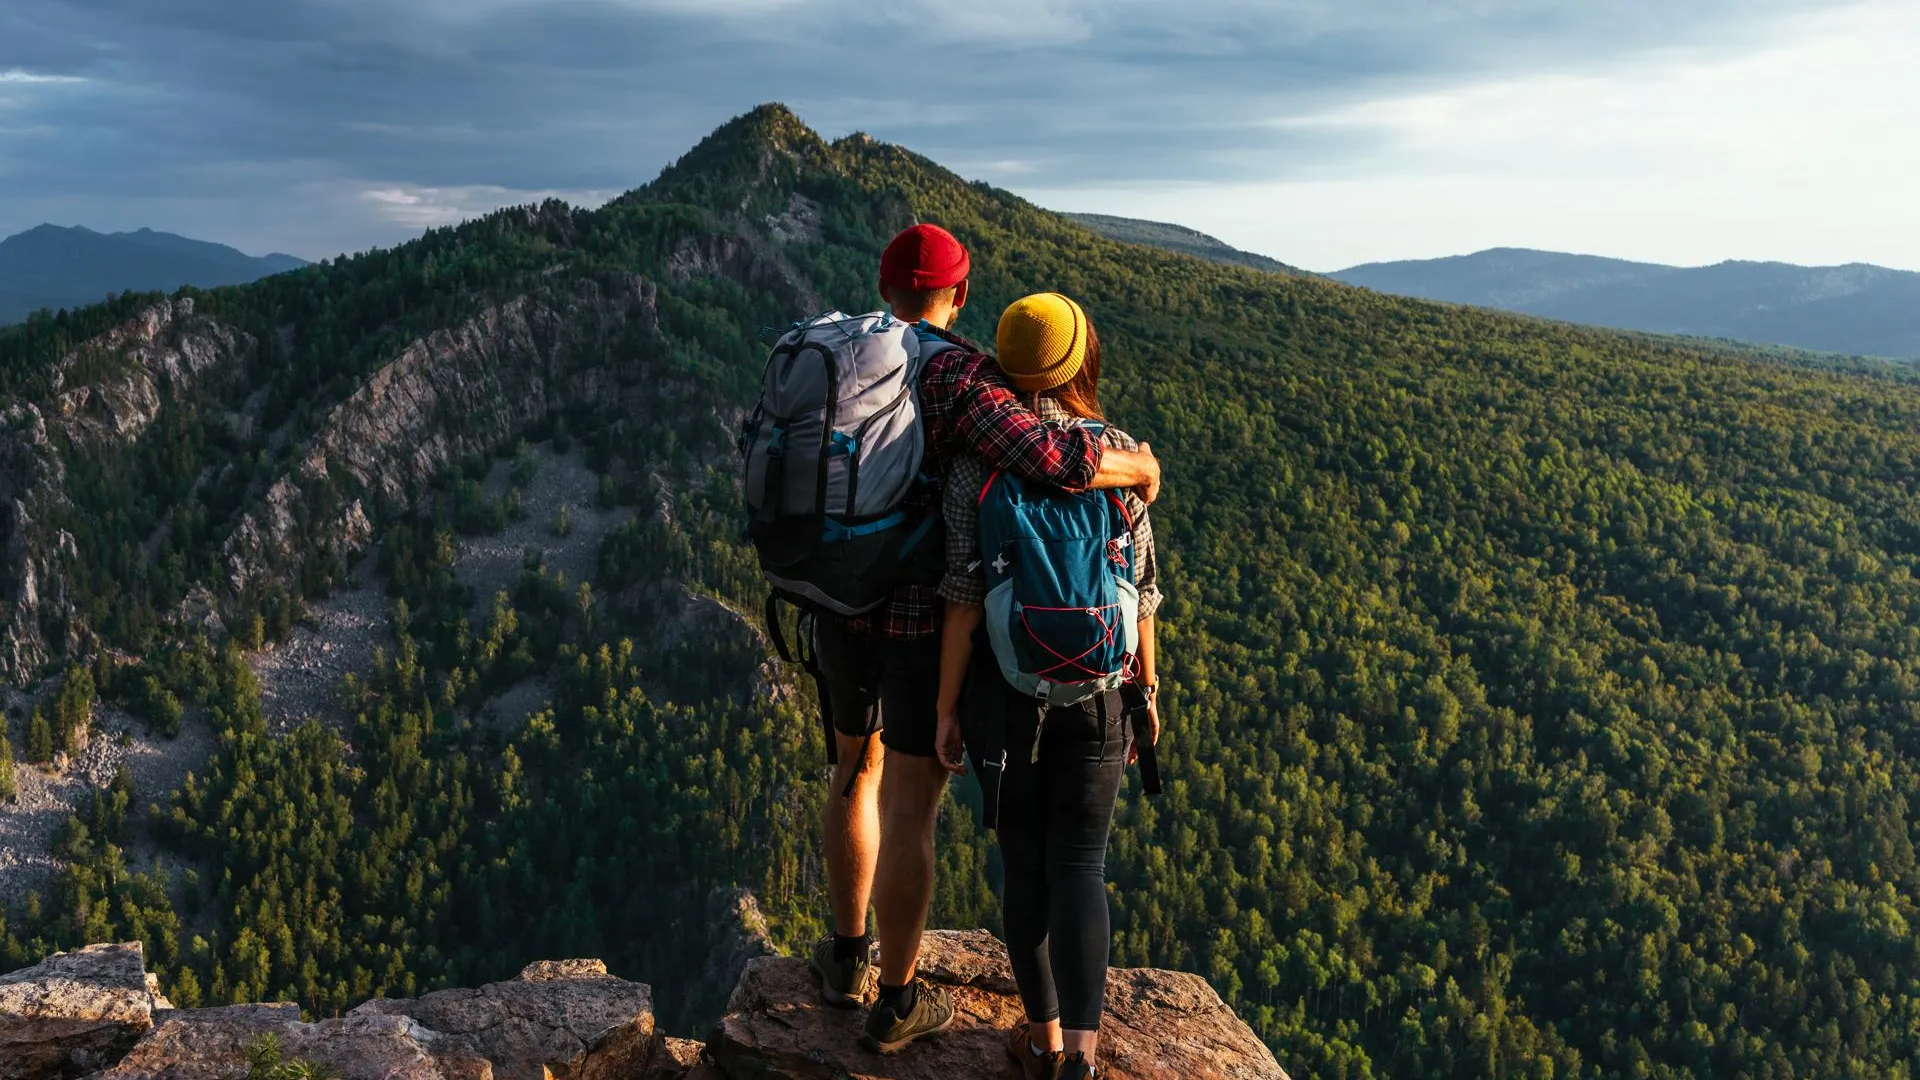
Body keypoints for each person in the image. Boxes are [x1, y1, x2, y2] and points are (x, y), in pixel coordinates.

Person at [806, 226, 1165, 1054]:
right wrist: (1138, 468)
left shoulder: (841, 351)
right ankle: (895, 1001)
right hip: (913, 618)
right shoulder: (961, 373)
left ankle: (846, 953)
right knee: (909, 809)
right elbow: (1046, 454)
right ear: (960, 295)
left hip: (832, 600)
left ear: (883, 284)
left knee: (848, 771)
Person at [934, 293, 1162, 1080]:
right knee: (1082, 868)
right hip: (1101, 695)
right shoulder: (1120, 453)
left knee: (1024, 866)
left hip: (1005, 694)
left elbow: (963, 604)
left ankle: (1042, 1040)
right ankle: (1085, 1064)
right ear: (1079, 363)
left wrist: (946, 711)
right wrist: (1147, 693)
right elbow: (1144, 587)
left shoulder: (976, 465)